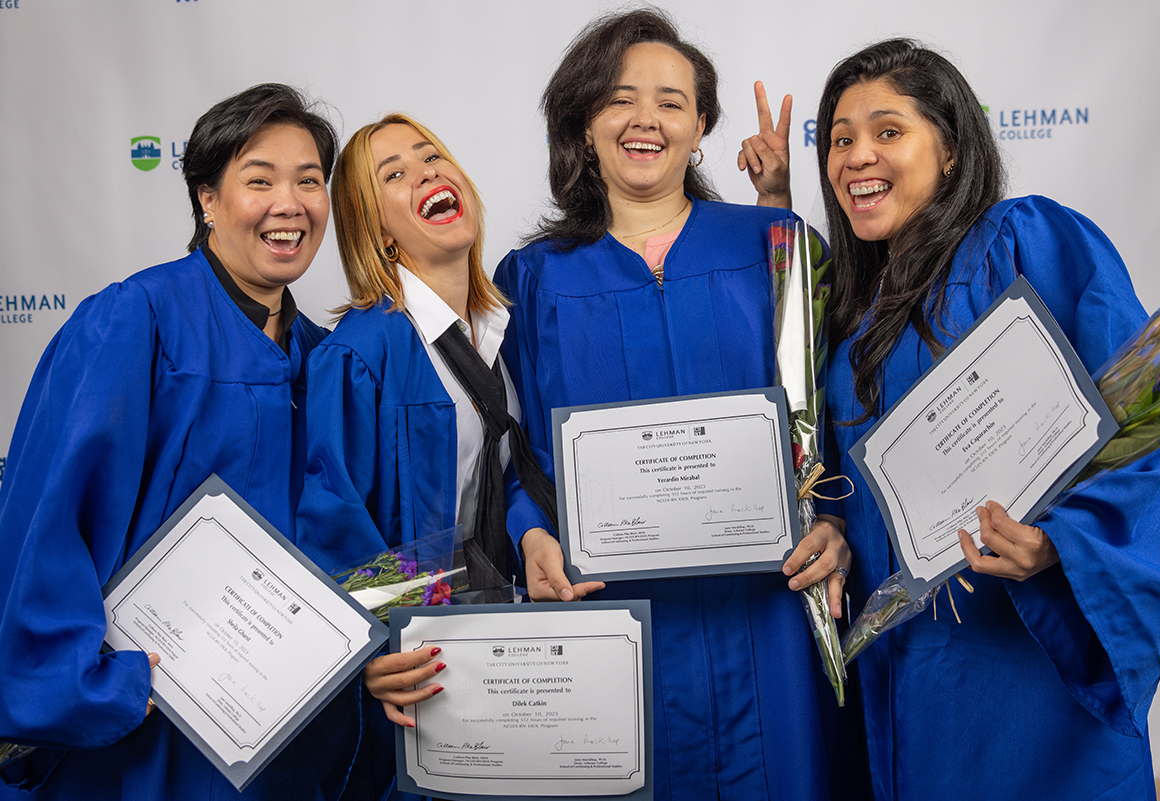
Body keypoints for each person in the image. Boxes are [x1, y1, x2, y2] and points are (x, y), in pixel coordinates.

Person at [808, 38, 1160, 800]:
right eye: (841, 139)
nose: (857, 156)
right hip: (903, 670)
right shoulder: (850, 321)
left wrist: (1059, 544)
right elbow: (844, 488)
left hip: (1024, 668)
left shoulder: (1027, 239)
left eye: (888, 131)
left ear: (950, 150)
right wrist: (834, 531)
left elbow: (1148, 433)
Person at [495, 9, 849, 800]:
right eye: (619, 99)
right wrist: (529, 532)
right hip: (616, 625)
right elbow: (507, 443)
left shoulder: (778, 246)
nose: (644, 119)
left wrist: (836, 520)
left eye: (670, 101)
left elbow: (843, 409)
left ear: (700, 129)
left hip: (772, 614)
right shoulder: (533, 280)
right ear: (585, 125)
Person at [0, 84, 380, 800]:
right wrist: (91, 683)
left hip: (280, 735)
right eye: (258, 179)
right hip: (148, 731)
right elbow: (45, 522)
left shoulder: (326, 357)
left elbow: (350, 535)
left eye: (308, 181)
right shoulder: (135, 320)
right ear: (206, 197)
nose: (289, 203)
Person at [295, 113, 554, 801]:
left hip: (496, 643)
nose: (428, 173)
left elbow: (506, 468)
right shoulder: (365, 351)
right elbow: (330, 523)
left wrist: (532, 533)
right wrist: (376, 649)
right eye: (396, 174)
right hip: (420, 671)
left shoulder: (497, 332)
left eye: (432, 156)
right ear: (376, 227)